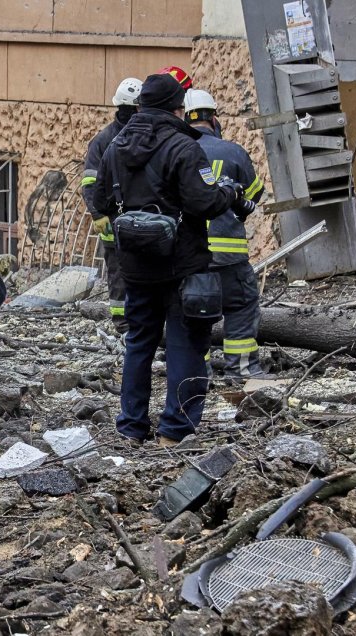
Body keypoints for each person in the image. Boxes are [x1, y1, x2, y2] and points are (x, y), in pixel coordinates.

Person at [92, 73, 251, 447]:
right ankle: (174, 431)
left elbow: (99, 201)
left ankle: (131, 428)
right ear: (176, 107)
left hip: (135, 266)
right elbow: (205, 203)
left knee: (140, 343)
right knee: (186, 345)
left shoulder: (115, 145)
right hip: (183, 265)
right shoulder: (183, 146)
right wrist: (227, 192)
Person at [183, 89, 266, 380]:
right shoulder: (233, 152)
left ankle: (196, 374)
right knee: (241, 306)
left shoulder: (175, 150)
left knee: (194, 313)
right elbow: (254, 195)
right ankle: (241, 370)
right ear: (214, 118)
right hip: (229, 255)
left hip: (189, 257)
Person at [82, 77, 142, 334]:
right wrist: (97, 214)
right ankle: (123, 323)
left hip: (140, 215)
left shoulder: (142, 135)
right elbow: (90, 182)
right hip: (112, 217)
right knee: (118, 271)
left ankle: (142, 319)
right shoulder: (104, 140)